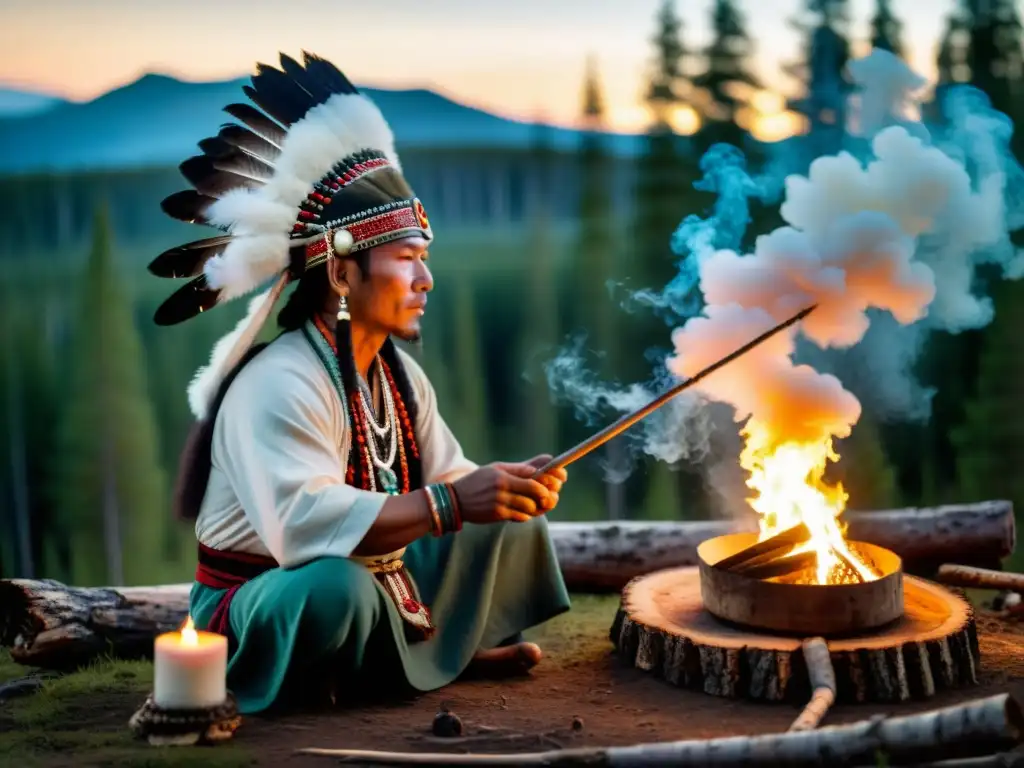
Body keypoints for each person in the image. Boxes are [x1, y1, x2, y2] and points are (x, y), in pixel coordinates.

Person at [148, 51, 572, 714]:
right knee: (332, 591)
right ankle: (369, 669)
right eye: (407, 260)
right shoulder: (278, 382)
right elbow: (302, 530)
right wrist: (455, 504)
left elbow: (450, 479)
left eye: (424, 261)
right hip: (264, 599)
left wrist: (506, 484)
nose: (426, 280)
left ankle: (439, 654)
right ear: (343, 276)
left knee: (512, 525)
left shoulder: (398, 376)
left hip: (376, 571)